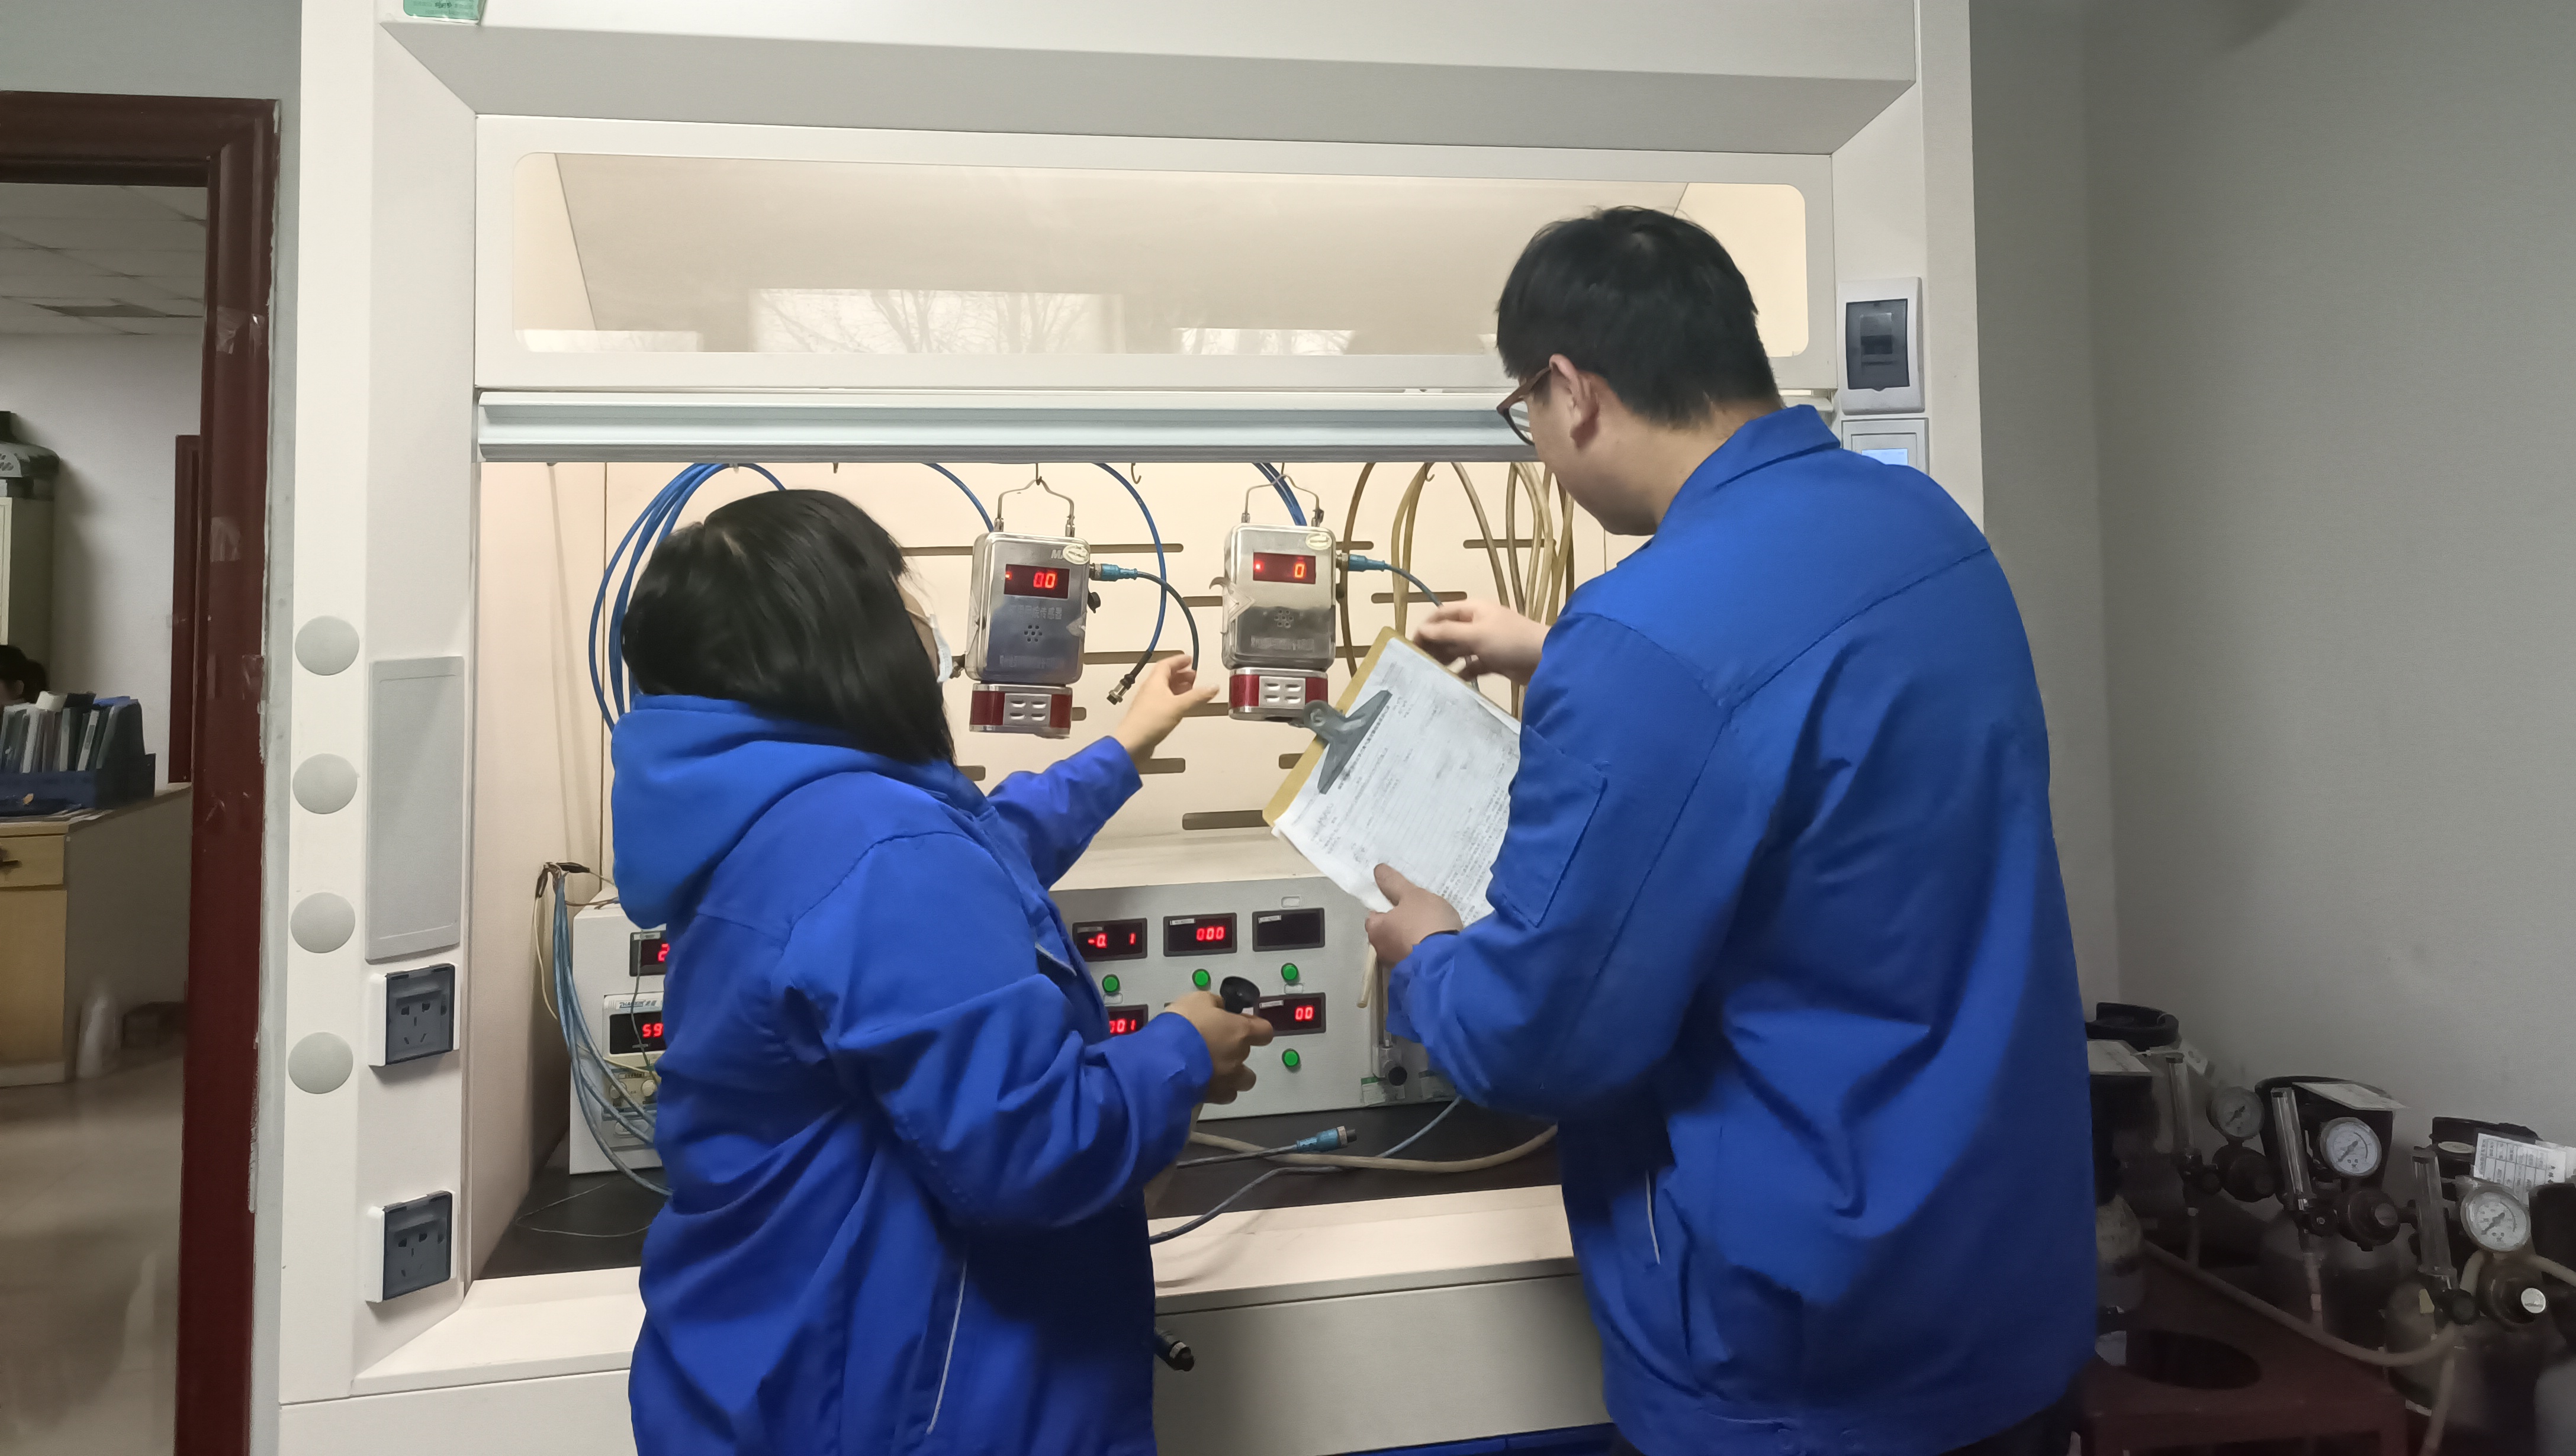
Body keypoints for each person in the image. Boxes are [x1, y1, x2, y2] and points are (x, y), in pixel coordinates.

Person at [1368, 207, 2091, 1456]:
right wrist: (1559, 651)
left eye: (1525, 414)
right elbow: (1802, 705)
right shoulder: (1923, 526)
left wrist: (1427, 955)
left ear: (1570, 391)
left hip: (1805, 1355)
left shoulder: (1645, 638)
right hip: (2001, 1279)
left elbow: (1537, 1041)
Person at [609, 488, 1269, 1456]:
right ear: (848, 640)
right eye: (904, 599)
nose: (925, 629)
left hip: (765, 1369)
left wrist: (1125, 744)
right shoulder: (882, 845)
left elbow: (985, 849)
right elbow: (1034, 1146)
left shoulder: (777, 811)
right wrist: (1183, 1051)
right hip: (898, 1406)